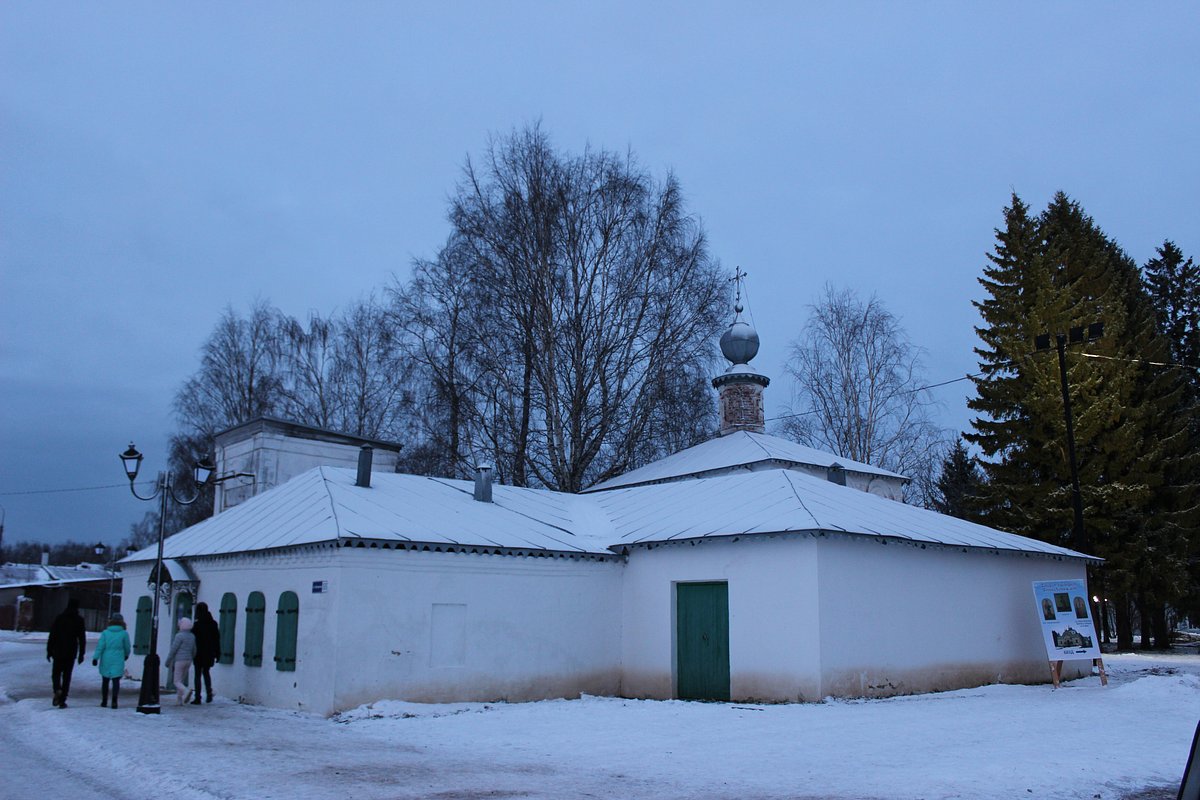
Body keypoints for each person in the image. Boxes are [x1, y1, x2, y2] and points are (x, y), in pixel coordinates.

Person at [46, 597, 86, 708]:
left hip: (58, 651)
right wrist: (81, 654)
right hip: (71, 652)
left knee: (56, 673)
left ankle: (57, 689)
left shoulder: (60, 618)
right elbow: (82, 638)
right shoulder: (79, 620)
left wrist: (49, 650)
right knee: (67, 676)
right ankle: (62, 700)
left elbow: (52, 635)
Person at [92, 612, 131, 708]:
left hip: (106, 658)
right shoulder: (124, 634)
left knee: (105, 680)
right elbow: (127, 646)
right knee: (116, 680)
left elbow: (100, 646)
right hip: (118, 658)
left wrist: (95, 658)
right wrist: (126, 655)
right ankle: (114, 701)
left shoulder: (105, 633)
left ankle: (104, 701)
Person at [191, 602, 220, 704]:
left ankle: (197, 697)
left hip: (198, 652)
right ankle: (209, 693)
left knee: (197, 674)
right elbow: (217, 639)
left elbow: (193, 640)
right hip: (209, 652)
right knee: (206, 673)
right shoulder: (213, 624)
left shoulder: (197, 625)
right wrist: (217, 653)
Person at [165, 617, 197, 706]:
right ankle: (179, 700)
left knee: (176, 681)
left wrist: (168, 661)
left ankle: (186, 692)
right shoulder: (192, 636)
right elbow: (194, 649)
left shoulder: (179, 636)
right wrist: (191, 657)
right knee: (181, 680)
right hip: (188, 660)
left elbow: (173, 649)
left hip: (179, 660)